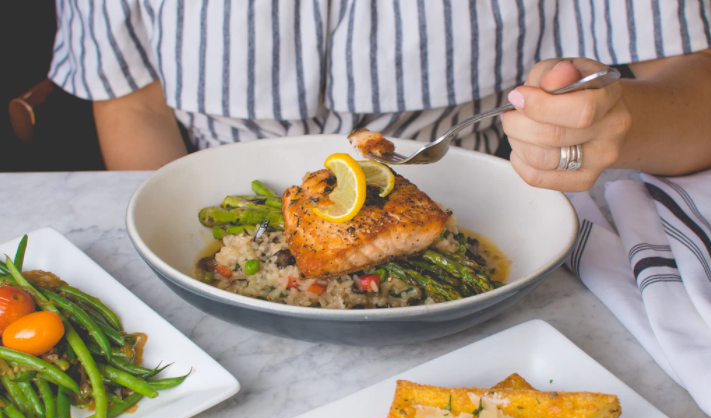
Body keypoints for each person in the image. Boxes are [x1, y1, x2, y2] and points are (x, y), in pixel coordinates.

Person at [49, 0, 711, 192]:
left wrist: (608, 123)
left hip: (490, 203)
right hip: (220, 211)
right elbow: (134, 107)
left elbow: (695, 92)